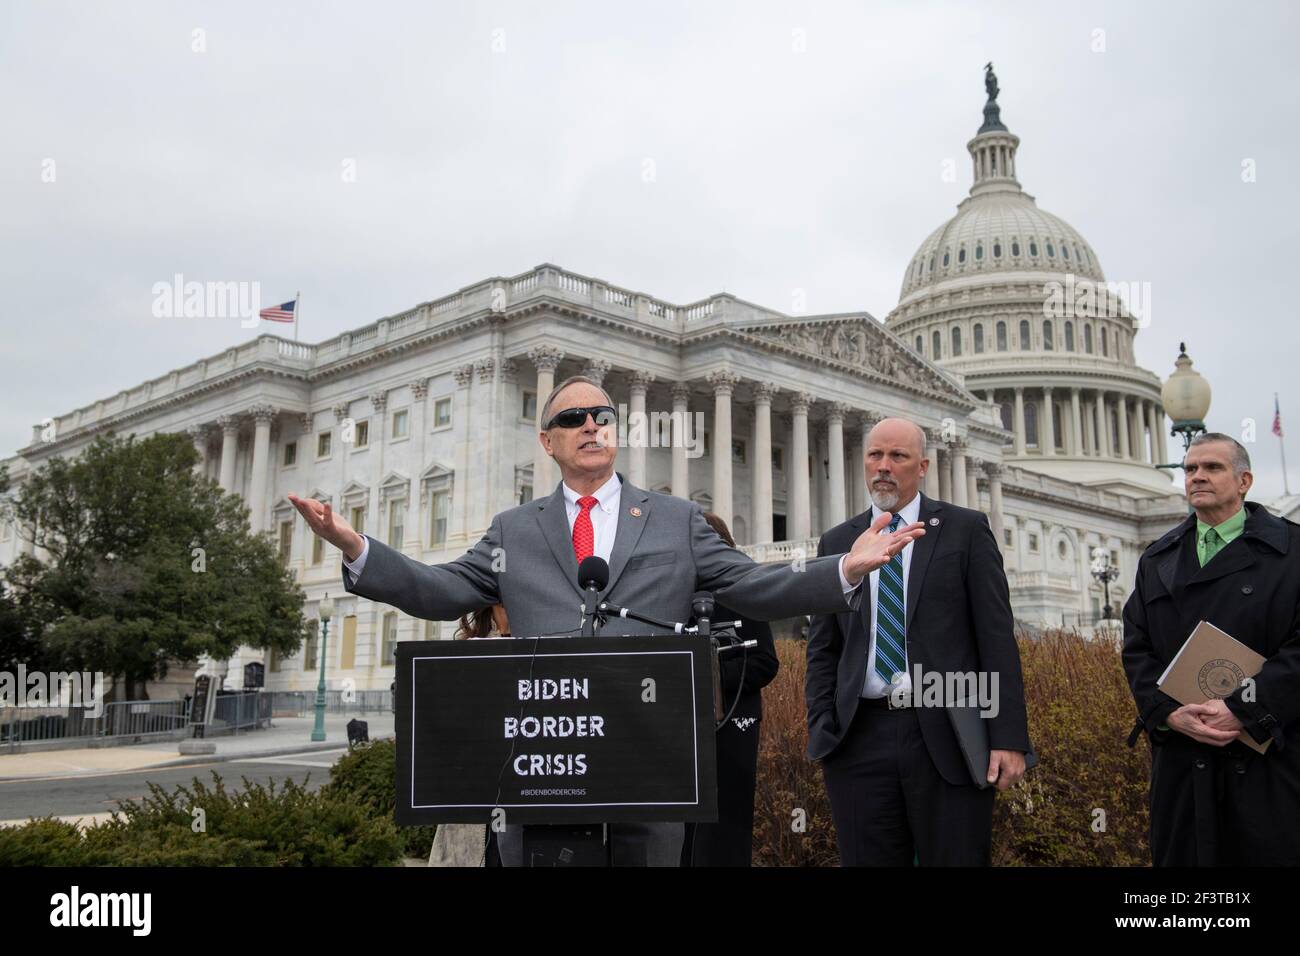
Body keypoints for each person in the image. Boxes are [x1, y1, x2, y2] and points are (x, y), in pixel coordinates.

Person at [289, 375, 924, 867]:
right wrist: (357, 549)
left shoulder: (677, 521)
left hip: (649, 767)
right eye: (573, 419)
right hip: (543, 769)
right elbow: (440, 589)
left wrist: (844, 568)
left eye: (604, 416)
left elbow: (756, 585)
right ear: (549, 441)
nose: (592, 426)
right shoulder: (516, 530)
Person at [805, 417, 1030, 866]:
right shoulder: (839, 540)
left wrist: (1008, 737)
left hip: (946, 730)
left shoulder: (964, 531)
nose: (883, 467)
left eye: (897, 456)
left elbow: (995, 638)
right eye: (875, 455)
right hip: (859, 737)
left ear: (922, 466)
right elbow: (824, 647)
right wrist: (822, 725)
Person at [1123, 433, 1300, 865]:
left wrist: (1242, 708)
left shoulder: (1292, 552)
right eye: (1190, 469)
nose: (1198, 477)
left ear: (1244, 481)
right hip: (1184, 762)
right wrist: (1165, 711)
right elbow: (1136, 648)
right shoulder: (1157, 558)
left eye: (1212, 468)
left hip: (1268, 758)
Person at [681, 512, 779, 867]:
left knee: (725, 832)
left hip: (731, 733)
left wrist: (706, 669)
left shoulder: (743, 593)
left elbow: (765, 662)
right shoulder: (671, 596)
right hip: (677, 735)